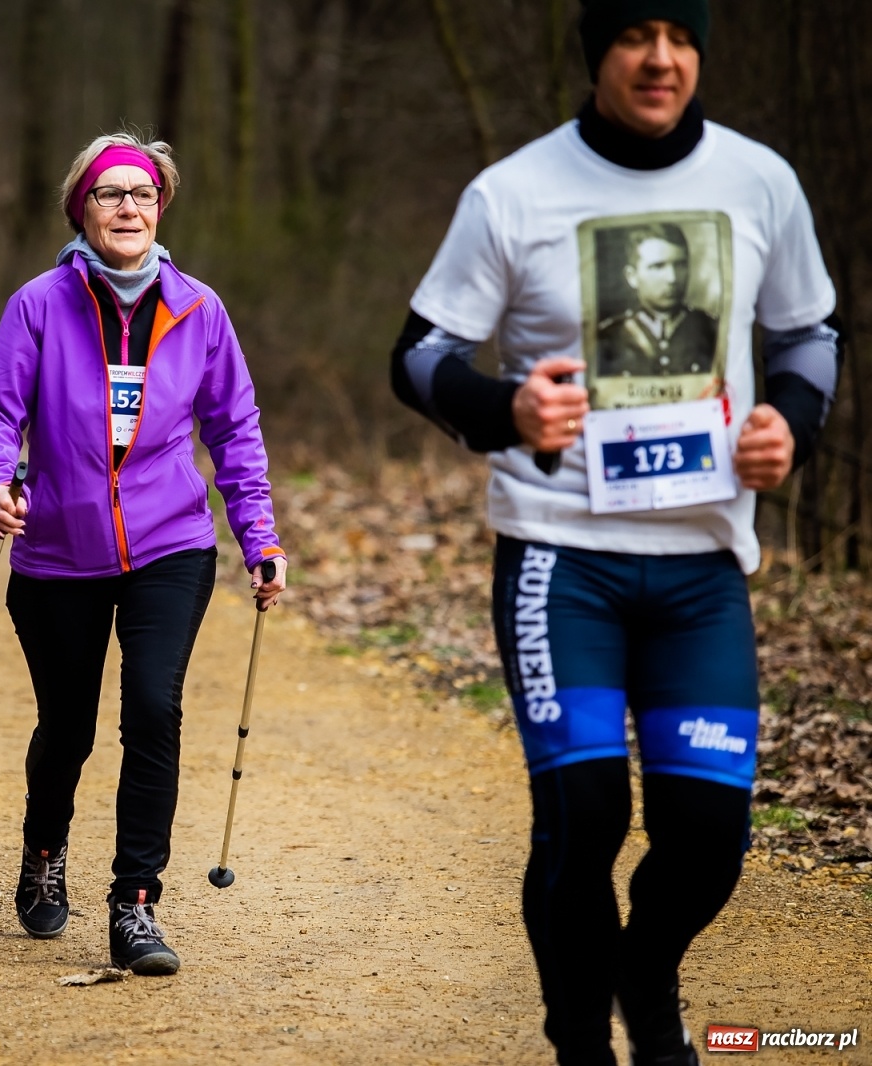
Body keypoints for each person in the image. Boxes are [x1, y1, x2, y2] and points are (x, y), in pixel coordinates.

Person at [390, 2, 840, 1064]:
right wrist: (507, 408)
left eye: (680, 36)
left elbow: (808, 332)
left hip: (701, 568)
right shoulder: (513, 192)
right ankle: (580, 1039)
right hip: (561, 558)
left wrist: (791, 422)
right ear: (597, 54)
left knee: (709, 838)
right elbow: (417, 355)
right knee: (584, 814)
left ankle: (645, 971)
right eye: (635, 35)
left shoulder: (759, 181)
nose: (660, 59)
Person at [0, 131, 288, 977]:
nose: (128, 208)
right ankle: (44, 850)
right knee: (66, 727)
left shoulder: (199, 310)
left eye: (142, 194)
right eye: (110, 194)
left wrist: (258, 534)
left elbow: (235, 430)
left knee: (152, 709)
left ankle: (135, 904)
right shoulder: (39, 304)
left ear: (161, 209)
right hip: (58, 548)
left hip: (169, 543)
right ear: (83, 210)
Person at [596, 222, 718, 378]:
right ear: (632, 277)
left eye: (680, 265)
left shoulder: (711, 329)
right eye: (658, 267)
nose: (672, 278)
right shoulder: (608, 336)